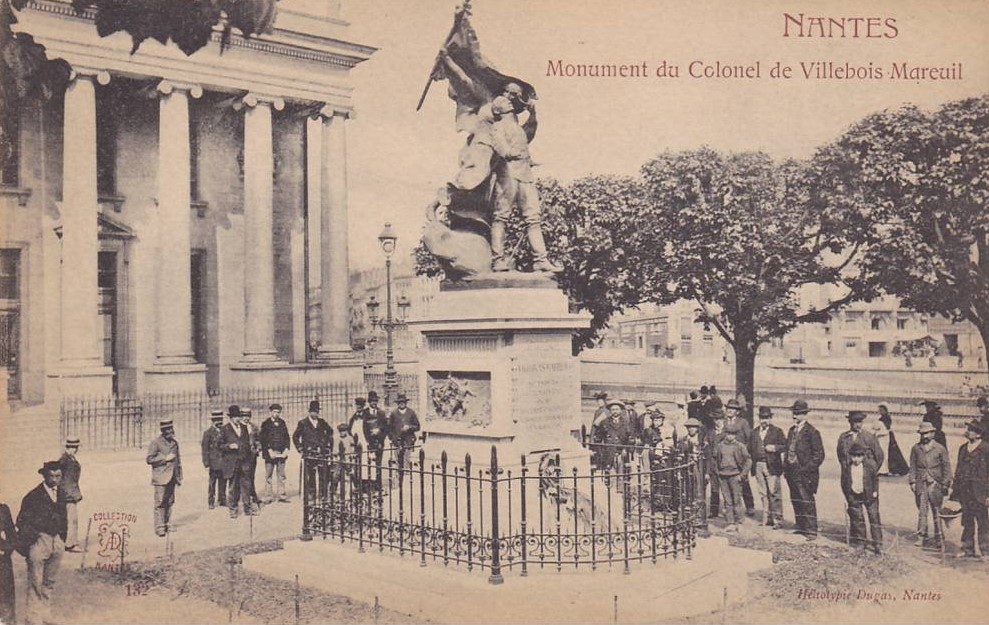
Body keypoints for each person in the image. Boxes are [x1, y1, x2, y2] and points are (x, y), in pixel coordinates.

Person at [17, 461, 67, 625]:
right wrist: (34, 542)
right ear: (44, 476)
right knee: (35, 582)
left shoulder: (61, 494)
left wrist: (61, 539)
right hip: (39, 541)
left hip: (56, 542)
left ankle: (46, 614)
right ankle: (33, 617)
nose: (54, 480)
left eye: (57, 476)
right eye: (51, 476)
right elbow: (22, 522)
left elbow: (64, 518)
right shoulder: (33, 496)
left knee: (49, 582)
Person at [783, 400, 825, 540]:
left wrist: (806, 469)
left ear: (805, 415)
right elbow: (788, 449)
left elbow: (819, 455)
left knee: (807, 501)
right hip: (791, 472)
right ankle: (800, 526)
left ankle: (811, 530)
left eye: (798, 413)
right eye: (794, 413)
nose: (795, 416)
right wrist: (786, 468)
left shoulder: (812, 432)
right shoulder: (791, 430)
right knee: (795, 499)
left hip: (805, 474)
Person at [949, 421, 989, 559]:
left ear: (978, 434)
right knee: (967, 521)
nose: (968, 431)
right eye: (968, 429)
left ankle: (985, 551)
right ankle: (967, 548)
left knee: (983, 522)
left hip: (980, 493)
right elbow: (958, 470)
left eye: (971, 430)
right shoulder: (963, 448)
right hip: (965, 491)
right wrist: (955, 491)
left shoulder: (986, 449)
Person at [908, 421, 951, 549]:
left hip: (936, 484)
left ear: (933, 433)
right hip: (921, 484)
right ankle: (922, 536)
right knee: (922, 511)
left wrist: (945, 484)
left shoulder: (940, 449)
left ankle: (939, 537)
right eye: (922, 434)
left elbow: (947, 468)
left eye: (927, 433)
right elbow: (912, 466)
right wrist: (912, 481)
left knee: (936, 511)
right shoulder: (916, 448)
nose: (924, 436)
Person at [841, 442, 883, 555]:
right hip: (854, 495)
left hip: (869, 495)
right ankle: (861, 543)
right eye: (854, 456)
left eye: (859, 456)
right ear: (850, 456)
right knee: (858, 519)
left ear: (863, 456)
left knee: (874, 518)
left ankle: (878, 544)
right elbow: (844, 483)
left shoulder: (870, 466)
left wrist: (875, 492)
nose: (856, 459)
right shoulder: (847, 467)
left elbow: (875, 479)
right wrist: (849, 496)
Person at [750, 407, 786, 529]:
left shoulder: (777, 431)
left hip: (772, 466)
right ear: (759, 418)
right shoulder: (754, 433)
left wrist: (775, 448)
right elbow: (750, 449)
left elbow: (785, 446)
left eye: (766, 418)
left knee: (774, 493)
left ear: (770, 418)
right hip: (759, 465)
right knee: (763, 493)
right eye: (762, 418)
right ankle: (766, 519)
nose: (764, 420)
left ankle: (777, 520)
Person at [293, 400, 334, 504]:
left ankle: (322, 495)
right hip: (309, 452)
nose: (315, 414)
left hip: (321, 452)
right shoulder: (303, 423)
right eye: (313, 411)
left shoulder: (322, 422)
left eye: (317, 411)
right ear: (309, 412)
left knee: (323, 474)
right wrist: (300, 448)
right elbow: (295, 436)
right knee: (310, 474)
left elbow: (330, 431)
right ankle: (311, 494)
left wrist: (325, 442)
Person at [146, 419, 183, 536]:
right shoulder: (156, 443)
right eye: (167, 429)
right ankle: (159, 527)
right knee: (160, 502)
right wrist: (165, 459)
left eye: (171, 428)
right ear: (163, 431)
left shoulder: (174, 443)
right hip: (161, 477)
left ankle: (167, 523)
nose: (170, 431)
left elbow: (178, 461)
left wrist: (179, 475)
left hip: (172, 477)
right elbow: (149, 459)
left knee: (170, 501)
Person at [714, 423, 751, 533]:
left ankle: (739, 522)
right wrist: (718, 473)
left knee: (737, 500)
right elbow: (715, 460)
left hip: (735, 476)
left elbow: (748, 460)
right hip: (723, 476)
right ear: (725, 434)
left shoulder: (740, 446)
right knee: (727, 501)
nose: (730, 436)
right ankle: (730, 522)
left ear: (735, 435)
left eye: (733, 434)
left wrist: (742, 474)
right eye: (728, 434)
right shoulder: (720, 446)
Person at [222, 406, 257, 518]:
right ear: (231, 418)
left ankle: (247, 508)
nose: (237, 419)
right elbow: (219, 445)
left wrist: (248, 458)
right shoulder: (225, 429)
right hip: (232, 463)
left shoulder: (244, 427)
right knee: (233, 487)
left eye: (239, 416)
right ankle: (233, 509)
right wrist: (229, 446)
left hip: (244, 462)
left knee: (246, 485)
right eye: (235, 417)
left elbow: (247, 443)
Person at [677, 417, 709, 530]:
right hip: (687, 468)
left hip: (699, 468)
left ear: (697, 429)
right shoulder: (683, 440)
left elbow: (708, 457)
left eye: (693, 427)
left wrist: (707, 473)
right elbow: (679, 454)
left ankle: (700, 519)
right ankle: (687, 517)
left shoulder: (703, 441)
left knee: (699, 492)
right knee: (687, 492)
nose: (691, 429)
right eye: (689, 427)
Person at [725, 399, 755, 516]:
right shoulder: (724, 422)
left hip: (740, 456)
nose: (729, 411)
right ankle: (732, 508)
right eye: (728, 409)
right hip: (728, 456)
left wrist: (744, 453)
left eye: (732, 409)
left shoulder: (743, 422)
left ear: (737, 412)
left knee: (743, 481)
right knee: (729, 481)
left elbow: (749, 439)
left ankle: (750, 506)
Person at [259, 403, 291, 503]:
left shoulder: (282, 423)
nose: (276, 414)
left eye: (278, 412)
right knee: (269, 475)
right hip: (270, 454)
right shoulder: (266, 424)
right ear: (271, 412)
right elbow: (263, 439)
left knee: (281, 475)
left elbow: (286, 437)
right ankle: (268, 496)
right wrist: (269, 450)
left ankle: (282, 496)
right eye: (275, 412)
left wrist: (286, 449)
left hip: (281, 453)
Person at [58, 437, 84, 552]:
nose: (75, 449)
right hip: (68, 495)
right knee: (71, 519)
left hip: (69, 493)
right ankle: (70, 544)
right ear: (67, 448)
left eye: (75, 447)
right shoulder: (64, 460)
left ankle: (68, 542)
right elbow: (60, 478)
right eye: (72, 447)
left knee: (69, 519)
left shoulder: (69, 458)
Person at [592, 400, 632, 472]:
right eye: (613, 410)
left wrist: (625, 449)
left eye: (617, 409)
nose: (615, 411)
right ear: (610, 411)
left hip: (622, 452)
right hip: (608, 452)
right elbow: (598, 439)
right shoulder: (605, 422)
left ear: (620, 410)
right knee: (610, 474)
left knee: (622, 474)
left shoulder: (626, 422)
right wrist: (601, 452)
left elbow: (629, 438)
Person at [389, 392, 421, 480]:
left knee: (407, 456)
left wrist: (409, 427)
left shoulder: (411, 412)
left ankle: (406, 473)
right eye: (400, 402)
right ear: (397, 403)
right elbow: (389, 428)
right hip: (397, 440)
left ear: (406, 403)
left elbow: (417, 426)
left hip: (408, 439)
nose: (401, 403)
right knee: (397, 456)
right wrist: (392, 438)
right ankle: (398, 472)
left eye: (403, 402)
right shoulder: (394, 413)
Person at [872, 405, 909, 476]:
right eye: (879, 410)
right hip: (886, 437)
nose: (880, 411)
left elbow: (886, 429)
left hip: (887, 437)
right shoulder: (882, 418)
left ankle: (891, 469)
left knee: (891, 453)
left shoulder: (886, 418)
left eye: (882, 410)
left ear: (885, 410)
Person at [201, 410, 226, 509]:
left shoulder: (225, 431)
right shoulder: (208, 433)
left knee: (223, 481)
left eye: (220, 420)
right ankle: (211, 501)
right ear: (213, 421)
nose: (219, 422)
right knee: (212, 483)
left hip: (224, 462)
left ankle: (222, 499)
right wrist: (206, 463)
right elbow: (205, 449)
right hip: (213, 463)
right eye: (217, 420)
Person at [242, 408, 263, 509]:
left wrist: (258, 447)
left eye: (248, 416)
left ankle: (252, 495)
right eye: (244, 416)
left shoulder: (254, 427)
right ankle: (247, 497)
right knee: (244, 476)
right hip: (242, 456)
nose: (246, 418)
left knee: (251, 475)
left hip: (252, 455)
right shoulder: (239, 427)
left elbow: (258, 439)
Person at [0, 489, 15, 625]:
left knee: (5, 592)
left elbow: (11, 535)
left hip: (2, 559)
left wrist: (6, 550)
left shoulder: (3, 509)